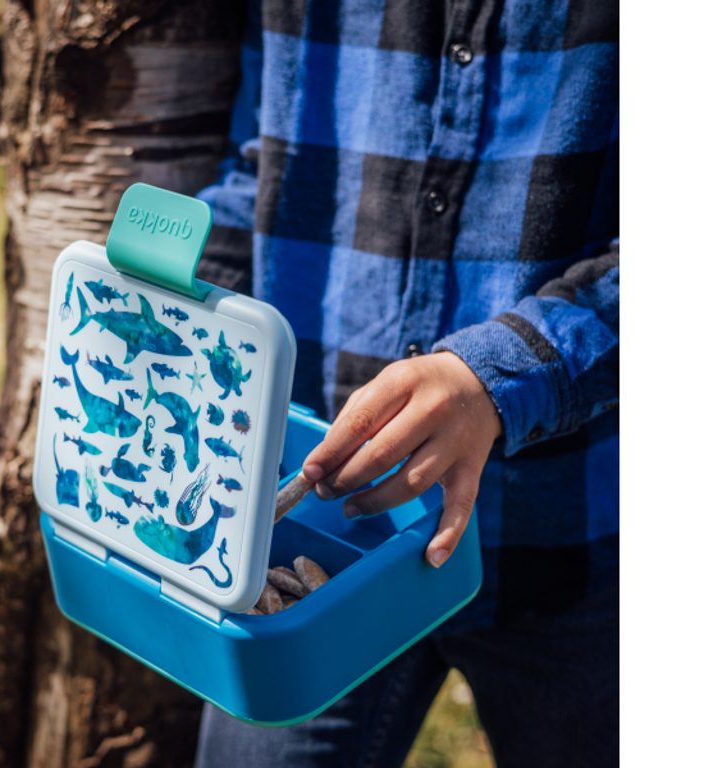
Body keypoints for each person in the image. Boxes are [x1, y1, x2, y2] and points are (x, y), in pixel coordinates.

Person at [193, 0, 618, 765]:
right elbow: (262, 165)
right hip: (320, 546)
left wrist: (503, 373)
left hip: (580, 542)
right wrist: (177, 319)